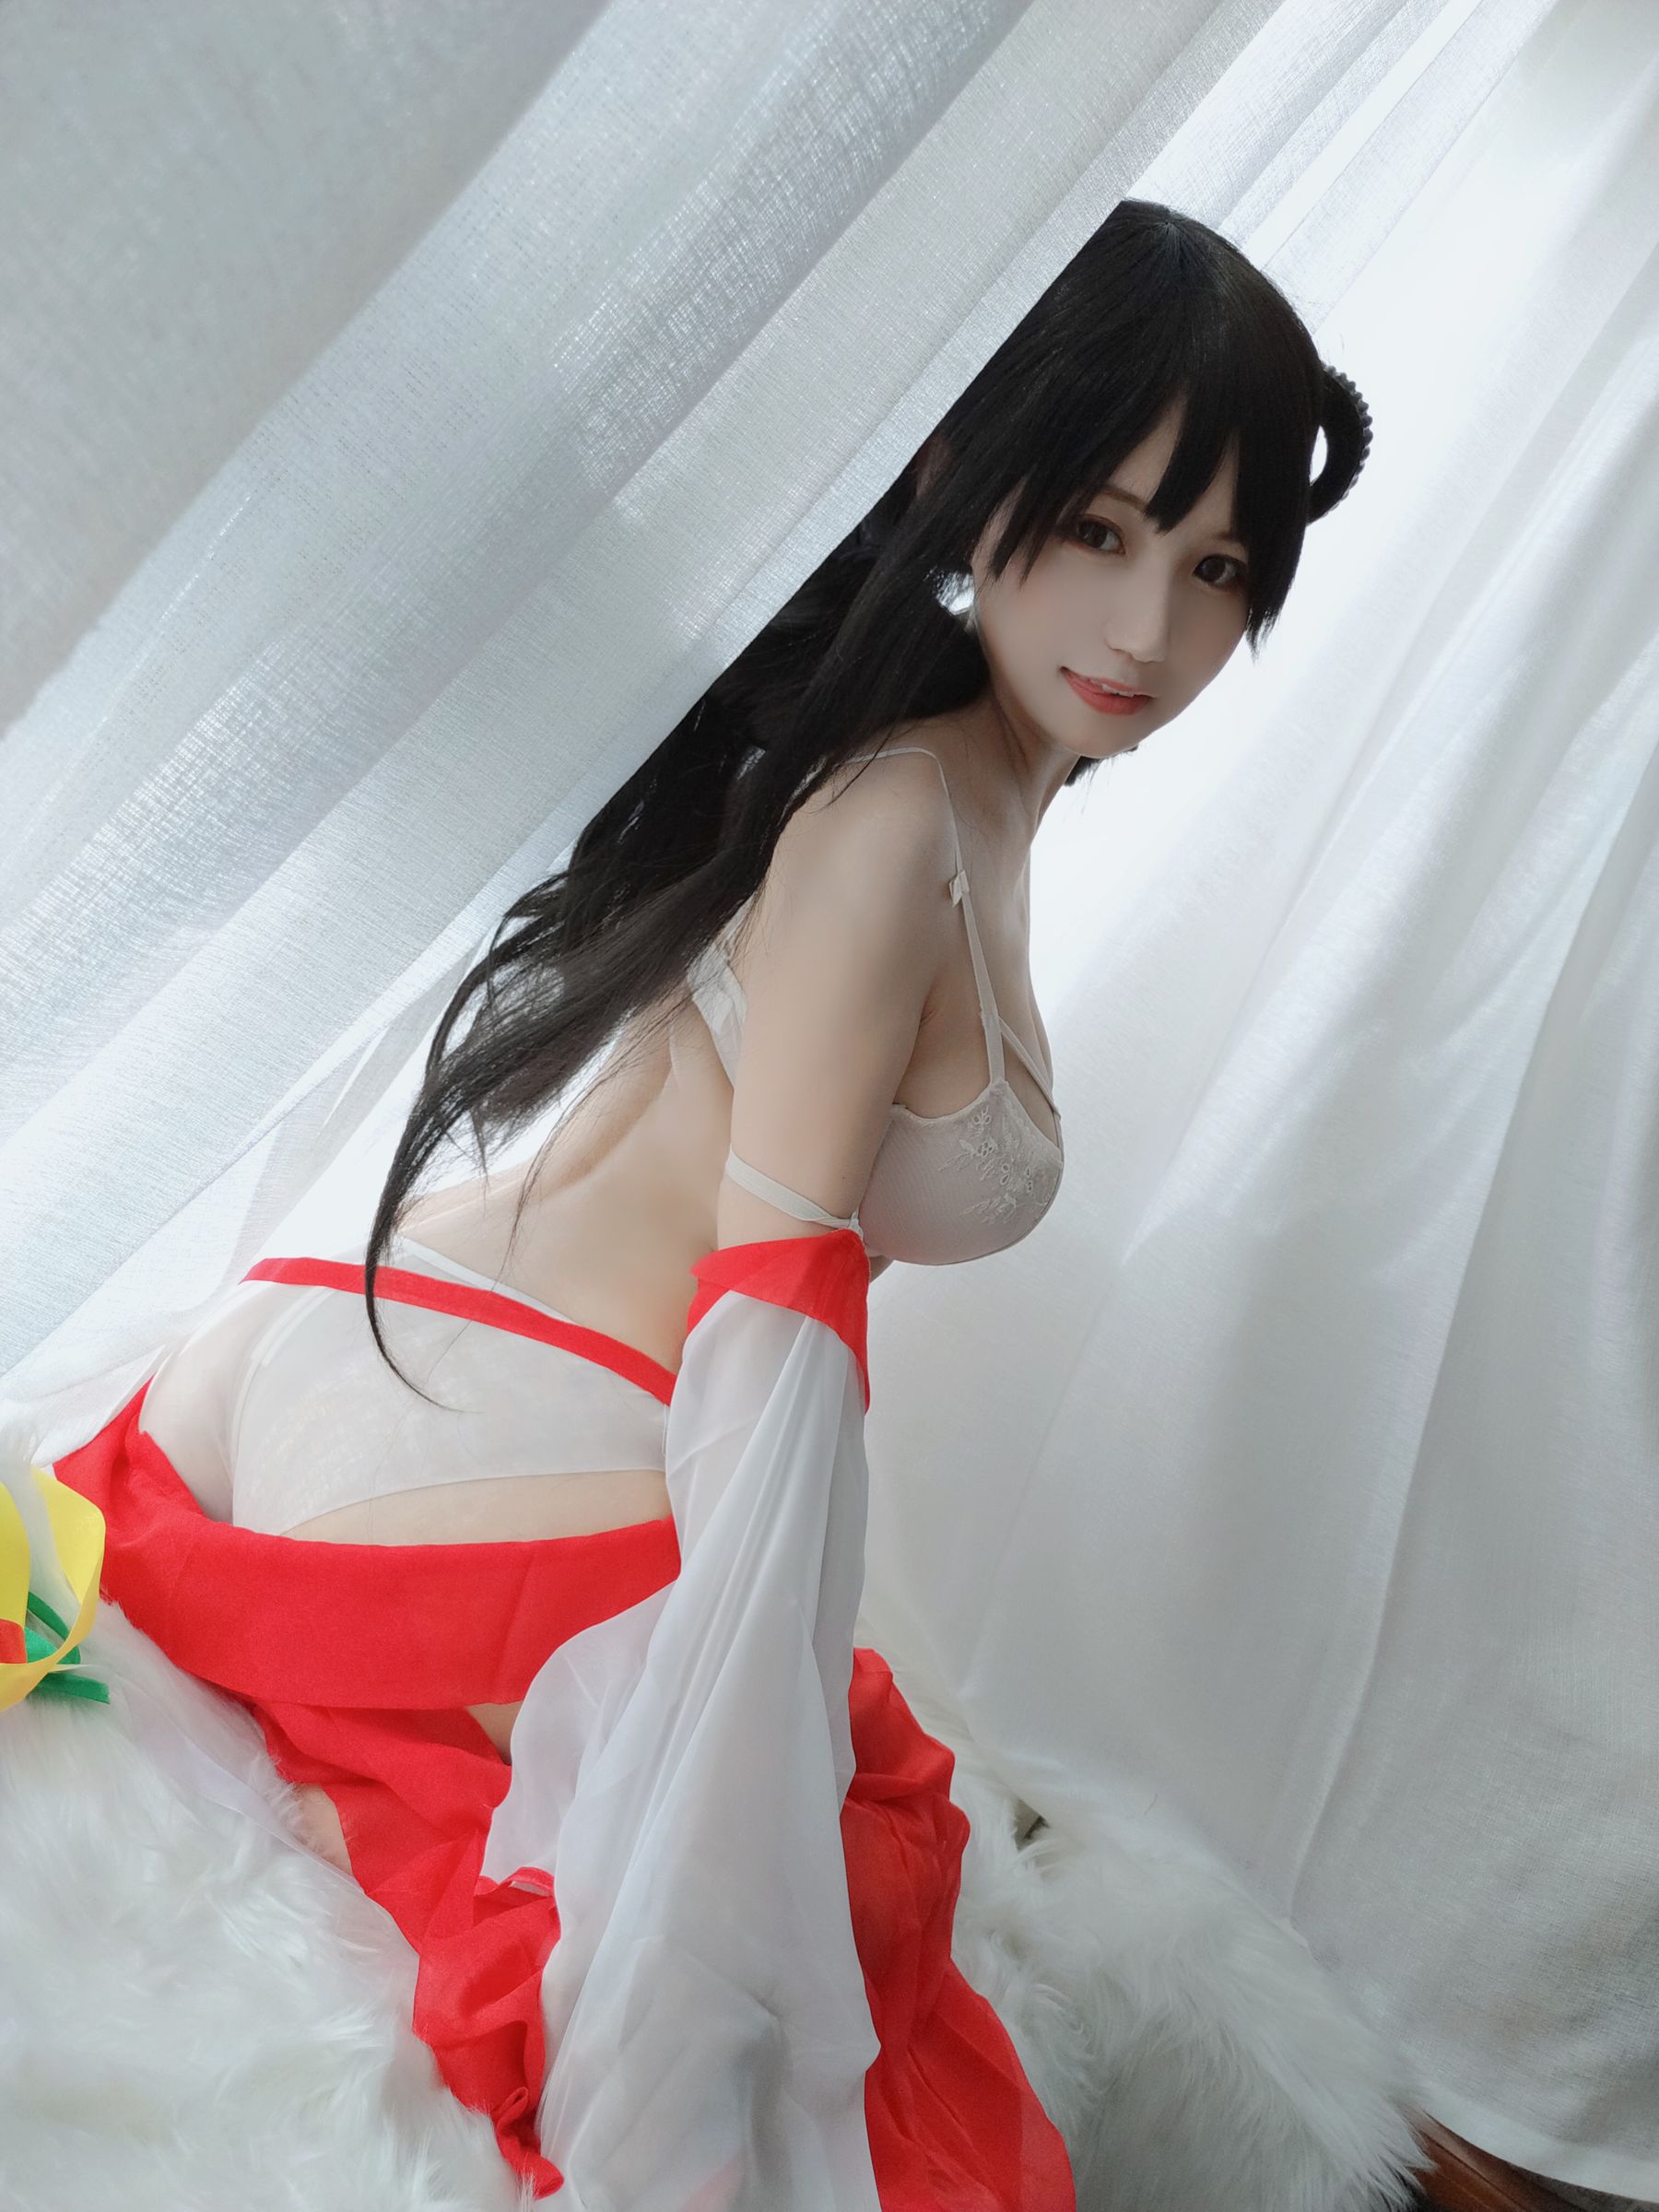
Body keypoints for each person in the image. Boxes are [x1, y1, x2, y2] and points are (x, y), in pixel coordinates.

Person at [47, 198, 1372, 2208]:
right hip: (474, 1399)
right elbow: (770, 1319)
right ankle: (368, 1785)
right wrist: (744, 1772)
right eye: (1101, 530)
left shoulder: (976, 780)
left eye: (1214, 571)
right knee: (759, 1965)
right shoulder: (901, 815)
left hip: (466, 1354)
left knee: (803, 1862)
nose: (1148, 633)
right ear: (965, 480)